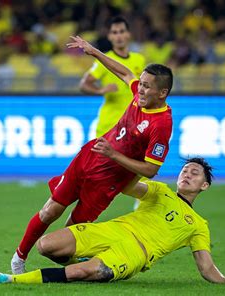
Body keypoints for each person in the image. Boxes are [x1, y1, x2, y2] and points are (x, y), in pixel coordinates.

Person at [10, 35, 174, 274]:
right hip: (88, 159)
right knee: (50, 210)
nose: (140, 89)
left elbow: (151, 169)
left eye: (147, 86)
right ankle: (18, 258)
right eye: (142, 84)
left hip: (108, 181)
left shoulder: (161, 124)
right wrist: (94, 51)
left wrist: (114, 155)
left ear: (162, 93)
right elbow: (126, 73)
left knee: (71, 235)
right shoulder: (139, 96)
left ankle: (89, 263)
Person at [0, 158, 225, 285]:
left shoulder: (198, 225)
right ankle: (87, 262)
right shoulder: (161, 192)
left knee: (82, 273)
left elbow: (206, 266)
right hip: (114, 230)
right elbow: (131, 187)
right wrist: (122, 161)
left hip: (135, 252)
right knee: (46, 246)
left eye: (194, 173)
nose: (187, 174)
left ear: (204, 186)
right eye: (184, 170)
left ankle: (9, 281)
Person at [80, 16, 146, 138]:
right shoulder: (104, 60)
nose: (118, 36)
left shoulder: (139, 59)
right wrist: (100, 90)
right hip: (109, 125)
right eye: (114, 33)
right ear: (109, 36)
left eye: (122, 31)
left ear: (128, 34)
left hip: (132, 124)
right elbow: (84, 84)